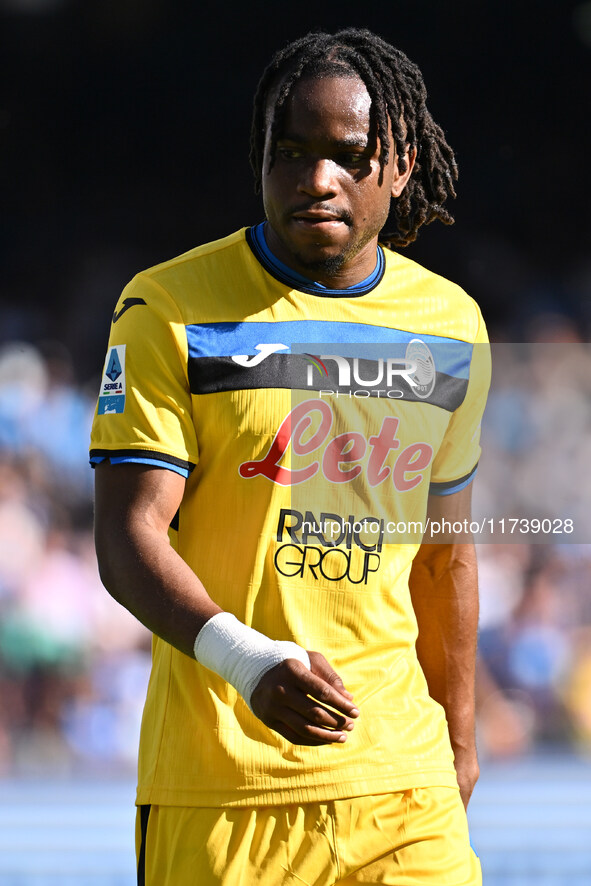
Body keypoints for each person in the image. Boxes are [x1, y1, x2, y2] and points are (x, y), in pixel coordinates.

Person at [91, 27, 490, 886]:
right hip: (224, 794)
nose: (317, 181)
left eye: (348, 156)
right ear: (259, 159)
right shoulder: (167, 307)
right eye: (291, 153)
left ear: (401, 164)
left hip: (400, 786)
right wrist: (249, 659)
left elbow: (444, 554)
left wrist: (457, 737)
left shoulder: (451, 326)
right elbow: (128, 538)